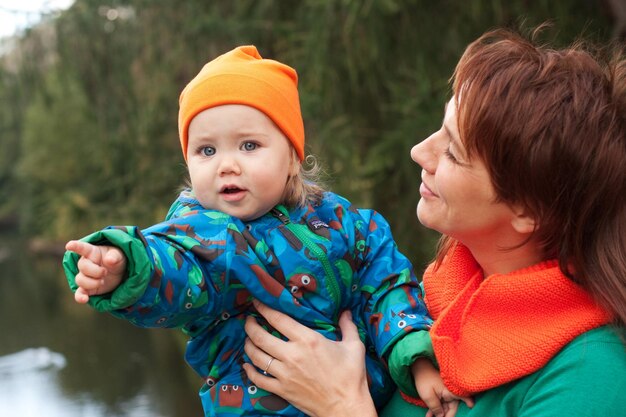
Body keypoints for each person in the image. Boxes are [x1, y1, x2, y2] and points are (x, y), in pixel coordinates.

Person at [242, 27, 626, 417]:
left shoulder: (591, 378)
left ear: (530, 211)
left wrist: (342, 405)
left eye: (454, 153)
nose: (419, 151)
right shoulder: (430, 300)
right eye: (440, 128)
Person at [62, 45, 440, 417]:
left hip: (364, 395)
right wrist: (127, 265)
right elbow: (175, 266)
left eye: (248, 145)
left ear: (292, 156)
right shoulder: (208, 235)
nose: (226, 165)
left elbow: (386, 280)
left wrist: (414, 355)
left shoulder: (345, 221)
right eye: (206, 151)